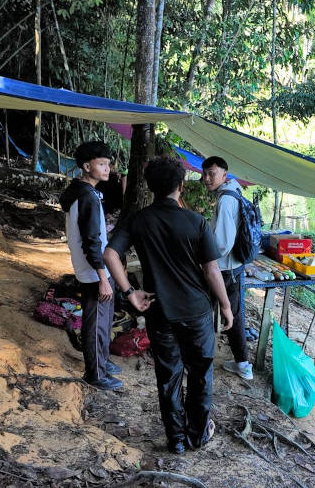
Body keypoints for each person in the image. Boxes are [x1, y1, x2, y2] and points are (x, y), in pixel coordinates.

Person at [103, 156, 233, 454]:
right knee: (200, 374)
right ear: (181, 184)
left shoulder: (139, 220)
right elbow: (212, 271)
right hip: (197, 312)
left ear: (150, 186)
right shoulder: (196, 221)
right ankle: (196, 436)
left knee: (168, 376)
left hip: (160, 312)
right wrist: (226, 306)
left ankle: (175, 439)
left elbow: (110, 254)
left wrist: (130, 292)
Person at [59, 141, 123, 391]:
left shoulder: (86, 192)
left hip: (94, 269)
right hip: (93, 271)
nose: (107, 169)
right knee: (95, 322)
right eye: (102, 164)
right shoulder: (86, 196)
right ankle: (94, 373)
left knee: (103, 320)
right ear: (87, 167)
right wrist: (103, 276)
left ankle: (102, 362)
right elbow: (91, 241)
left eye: (108, 164)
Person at [201, 156, 252, 381]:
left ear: (224, 174)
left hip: (225, 269)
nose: (206, 178)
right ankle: (242, 364)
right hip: (234, 266)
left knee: (219, 312)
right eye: (204, 173)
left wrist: (203, 259)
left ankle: (206, 360)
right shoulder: (234, 191)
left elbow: (222, 243)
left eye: (212, 173)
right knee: (233, 313)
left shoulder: (226, 200)